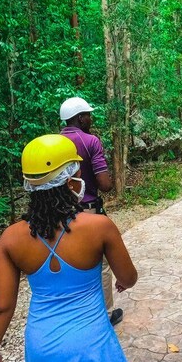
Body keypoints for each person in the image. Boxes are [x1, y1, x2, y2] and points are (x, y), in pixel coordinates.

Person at [0, 134, 137, 362]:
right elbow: (129, 277)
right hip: (85, 345)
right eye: (77, 173)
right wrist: (119, 282)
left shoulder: (10, 240)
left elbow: (1, 306)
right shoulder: (99, 227)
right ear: (70, 180)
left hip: (42, 344)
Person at [59, 97, 123, 326]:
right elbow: (104, 184)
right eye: (88, 114)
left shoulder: (55, 142)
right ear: (79, 118)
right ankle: (106, 314)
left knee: (68, 260)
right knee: (102, 263)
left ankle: (74, 313)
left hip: (58, 213)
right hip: (87, 210)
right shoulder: (90, 141)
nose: (91, 118)